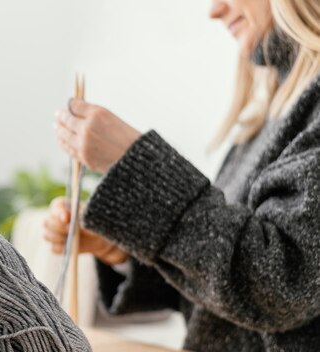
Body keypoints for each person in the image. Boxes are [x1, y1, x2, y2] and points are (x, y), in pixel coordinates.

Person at [43, 0, 320, 351]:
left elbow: (281, 284)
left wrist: (138, 167)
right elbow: (224, 294)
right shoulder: (269, 118)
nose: (214, 10)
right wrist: (121, 253)